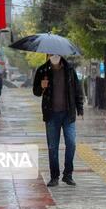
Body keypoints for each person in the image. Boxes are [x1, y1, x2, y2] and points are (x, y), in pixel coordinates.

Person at [33, 54, 84, 187]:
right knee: (52, 147)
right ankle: (54, 176)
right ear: (48, 55)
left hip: (68, 114)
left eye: (56, 53)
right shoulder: (42, 71)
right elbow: (36, 92)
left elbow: (77, 90)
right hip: (51, 115)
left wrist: (80, 108)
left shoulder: (70, 70)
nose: (53, 56)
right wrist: (42, 86)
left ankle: (68, 174)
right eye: (51, 53)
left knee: (71, 143)